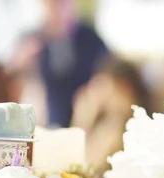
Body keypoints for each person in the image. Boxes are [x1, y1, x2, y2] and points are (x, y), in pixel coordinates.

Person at [8, 0, 109, 128]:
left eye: (64, 4)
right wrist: (21, 63)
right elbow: (9, 75)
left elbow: (109, 70)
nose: (60, 9)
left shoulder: (89, 38)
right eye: (54, 4)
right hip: (47, 118)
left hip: (86, 116)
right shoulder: (33, 41)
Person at [71, 56, 150, 178]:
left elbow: (83, 176)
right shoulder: (109, 124)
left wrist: (82, 121)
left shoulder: (121, 129)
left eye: (106, 88)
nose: (101, 97)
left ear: (125, 88)